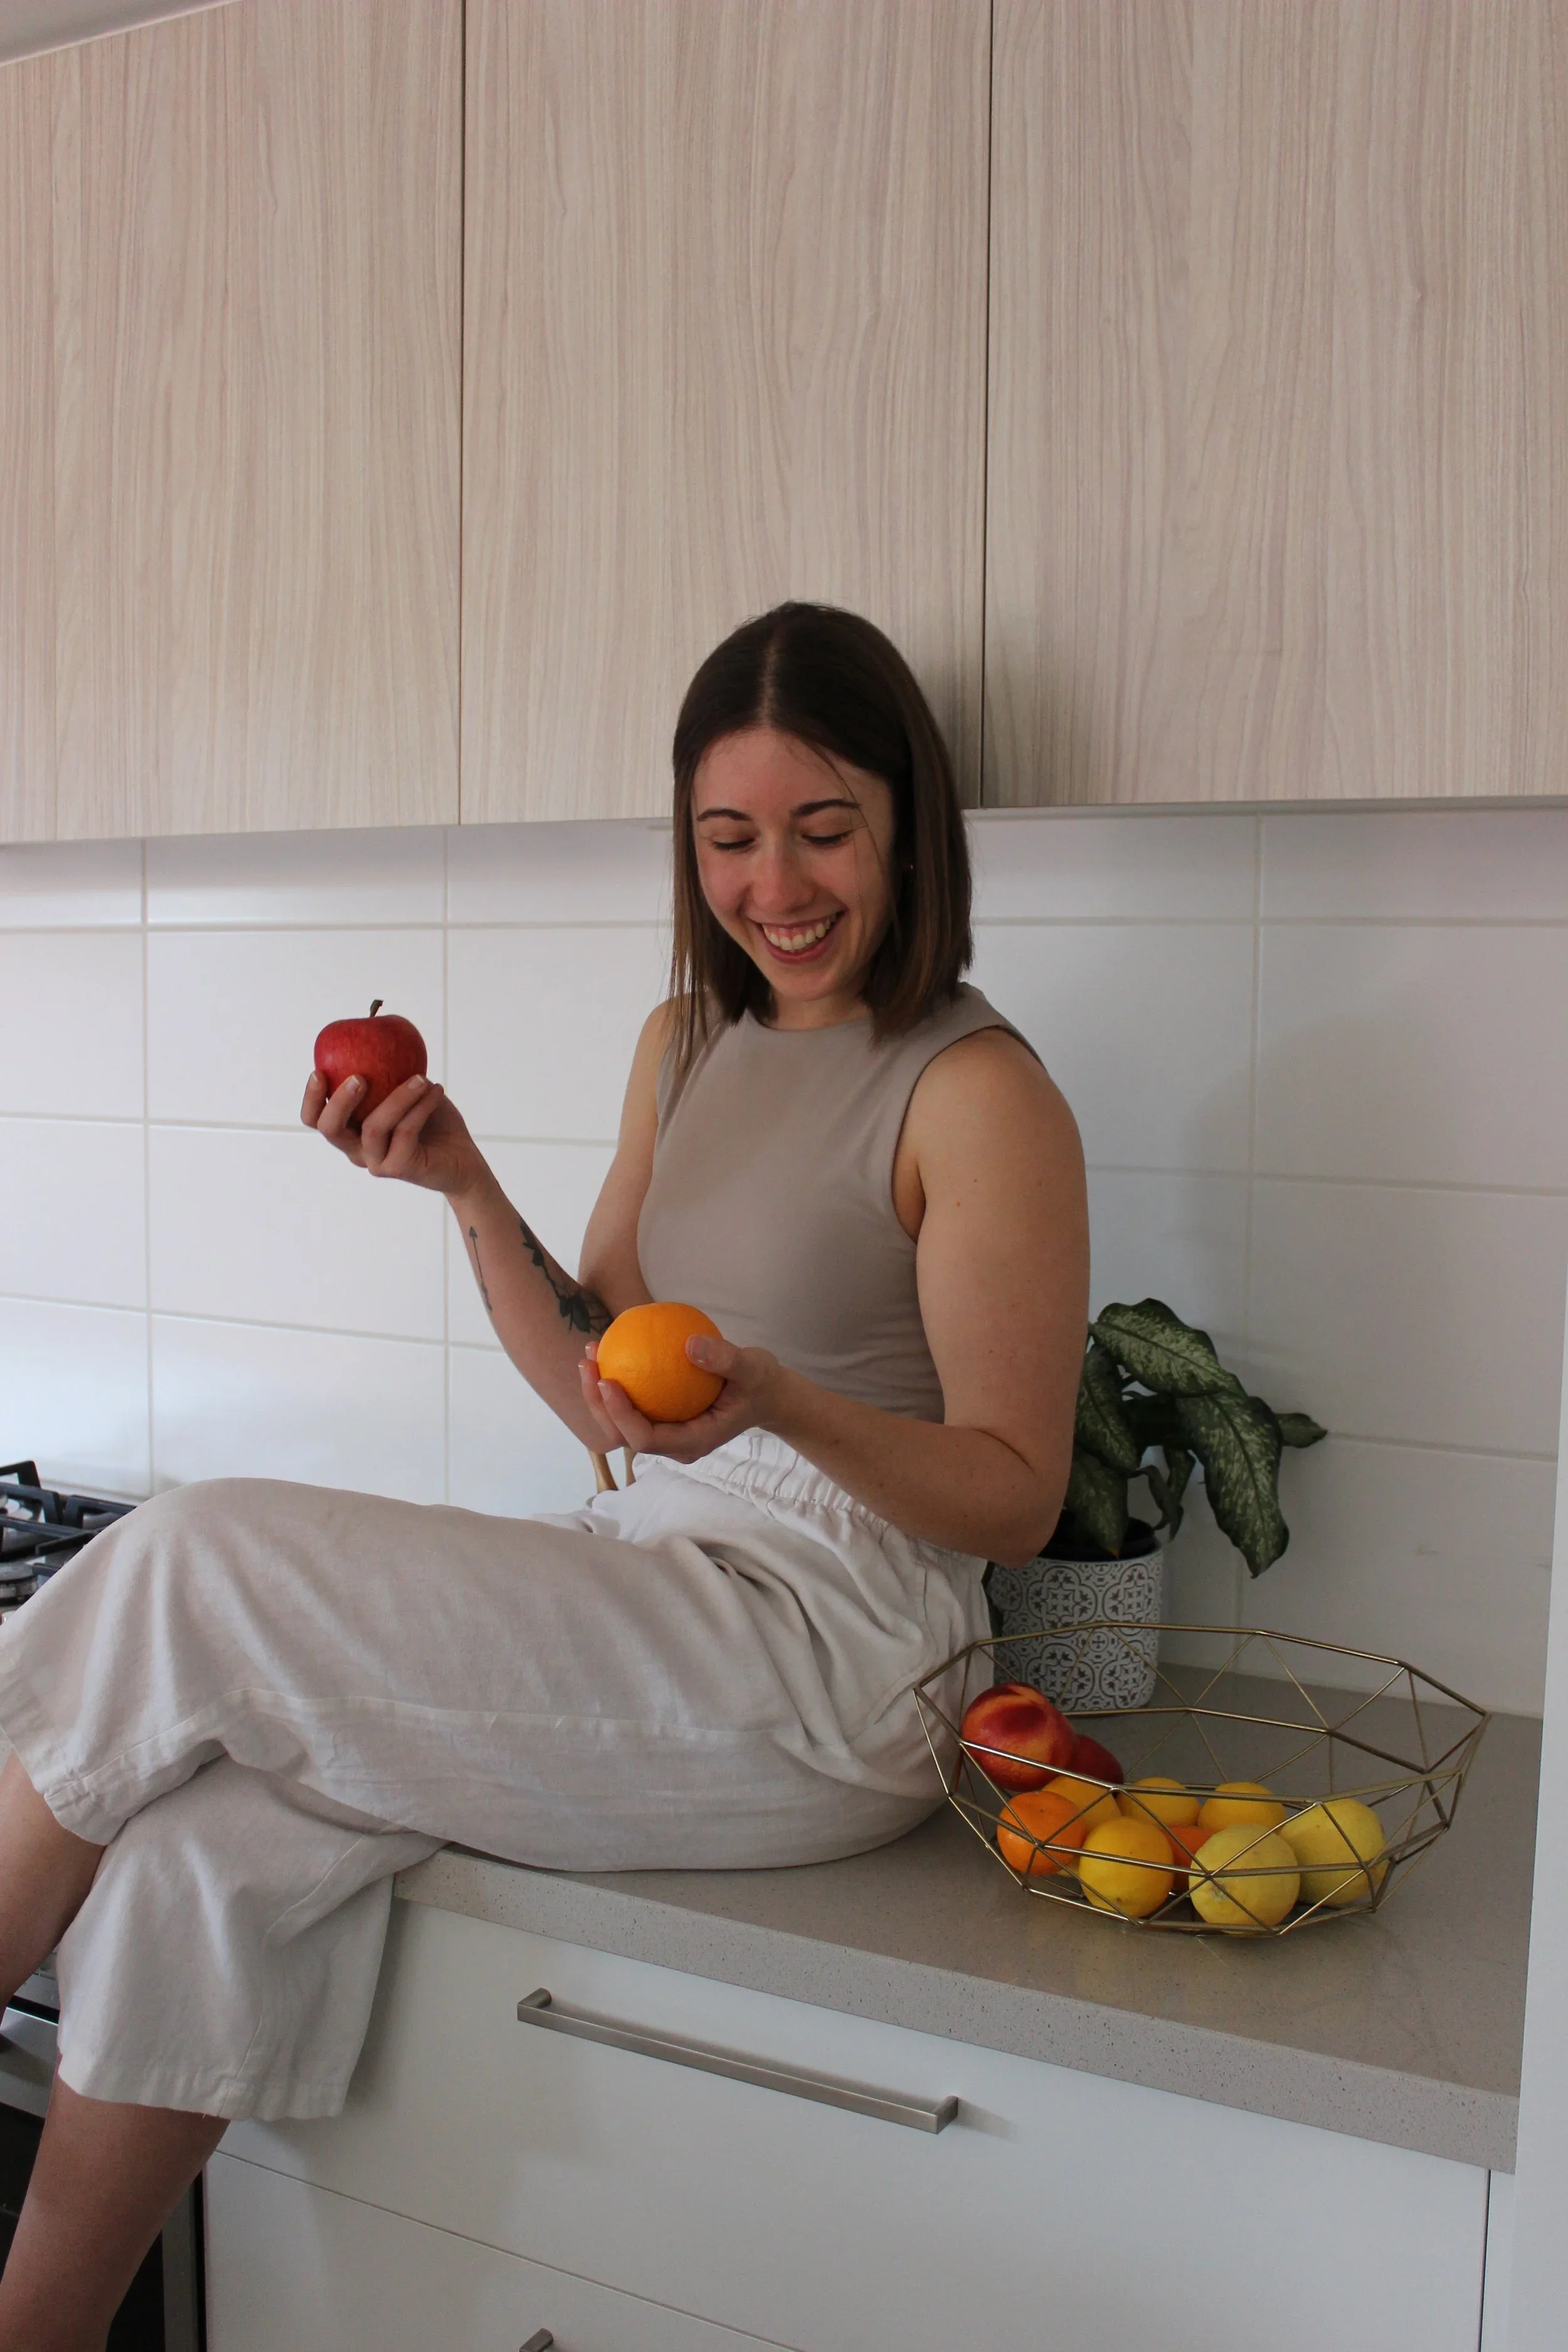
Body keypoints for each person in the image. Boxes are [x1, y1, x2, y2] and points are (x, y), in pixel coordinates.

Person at [0, 602, 1088, 2349]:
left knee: (188, 1562)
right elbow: (607, 1384)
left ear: (906, 825)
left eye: (823, 828)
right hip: (653, 1553)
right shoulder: (687, 1045)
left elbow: (1015, 1491)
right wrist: (460, 1182)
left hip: (835, 1645)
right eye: (728, 837)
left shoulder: (979, 1092)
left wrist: (785, 1404)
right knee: (199, 1845)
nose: (774, 884)